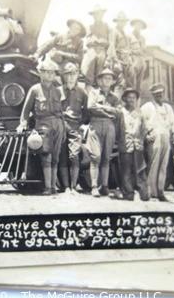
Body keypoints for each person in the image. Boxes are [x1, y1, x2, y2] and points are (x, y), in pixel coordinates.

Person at [17, 59, 65, 195]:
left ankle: (54, 187)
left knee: (56, 156)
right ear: (40, 73)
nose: (50, 75)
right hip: (43, 125)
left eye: (52, 73)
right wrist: (23, 123)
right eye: (46, 72)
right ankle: (48, 187)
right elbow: (26, 111)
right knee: (46, 155)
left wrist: (63, 127)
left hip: (58, 125)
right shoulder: (34, 89)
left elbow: (61, 111)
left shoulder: (57, 91)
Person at [86, 68, 120, 197]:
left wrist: (101, 107)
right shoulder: (94, 93)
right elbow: (91, 107)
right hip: (95, 124)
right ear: (99, 80)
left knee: (106, 157)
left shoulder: (114, 97)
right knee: (96, 156)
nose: (107, 80)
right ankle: (94, 186)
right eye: (104, 78)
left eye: (110, 78)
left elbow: (117, 112)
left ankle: (104, 186)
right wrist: (108, 111)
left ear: (112, 82)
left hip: (109, 127)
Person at [141, 83, 174, 201]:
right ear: (152, 94)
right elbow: (142, 121)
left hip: (166, 135)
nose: (159, 95)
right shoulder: (147, 106)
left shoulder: (168, 107)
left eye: (161, 93)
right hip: (154, 136)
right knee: (153, 163)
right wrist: (146, 134)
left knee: (163, 164)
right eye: (156, 94)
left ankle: (160, 191)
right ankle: (151, 192)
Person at [59, 63, 88, 194]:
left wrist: (82, 123)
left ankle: (74, 186)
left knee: (74, 156)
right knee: (62, 157)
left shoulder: (82, 92)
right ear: (64, 76)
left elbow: (87, 111)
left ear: (77, 75)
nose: (70, 77)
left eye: (73, 74)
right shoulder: (57, 91)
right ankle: (65, 187)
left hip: (75, 126)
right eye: (67, 74)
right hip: (60, 126)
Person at [117, 88, 151, 201]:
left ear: (136, 100)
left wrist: (142, 139)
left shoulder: (140, 113)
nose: (131, 100)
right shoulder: (120, 112)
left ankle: (144, 194)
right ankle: (128, 194)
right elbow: (117, 129)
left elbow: (144, 129)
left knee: (140, 170)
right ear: (125, 99)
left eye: (134, 98)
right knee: (126, 171)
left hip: (138, 145)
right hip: (125, 145)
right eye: (129, 97)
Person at [81, 5, 110, 86]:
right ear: (93, 16)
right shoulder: (89, 27)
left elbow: (110, 40)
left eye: (99, 14)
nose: (97, 16)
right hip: (92, 49)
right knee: (88, 69)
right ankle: (88, 88)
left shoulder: (106, 26)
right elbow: (86, 40)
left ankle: (98, 90)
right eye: (95, 14)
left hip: (102, 50)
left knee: (100, 73)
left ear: (102, 15)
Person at [108, 12, 133, 90]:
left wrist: (129, 60)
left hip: (125, 61)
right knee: (117, 82)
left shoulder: (125, 34)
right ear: (117, 21)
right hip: (117, 60)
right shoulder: (114, 31)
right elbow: (112, 46)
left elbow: (128, 48)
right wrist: (116, 61)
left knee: (125, 83)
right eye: (120, 21)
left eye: (123, 21)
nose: (122, 23)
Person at [129, 19, 147, 92]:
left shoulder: (142, 38)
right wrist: (135, 51)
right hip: (132, 60)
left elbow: (144, 50)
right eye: (137, 25)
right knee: (132, 83)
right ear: (134, 26)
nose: (138, 27)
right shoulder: (129, 36)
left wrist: (141, 52)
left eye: (140, 26)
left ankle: (137, 100)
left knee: (139, 85)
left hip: (141, 61)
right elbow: (127, 49)